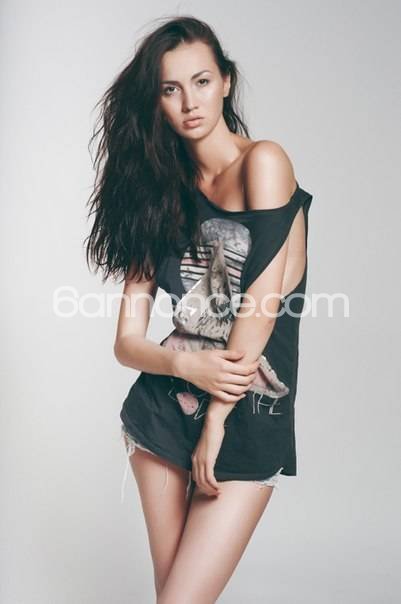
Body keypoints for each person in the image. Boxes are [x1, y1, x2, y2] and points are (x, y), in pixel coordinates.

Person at [85, 15, 313, 604]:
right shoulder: (155, 192)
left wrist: (215, 424)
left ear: (226, 82)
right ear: (156, 101)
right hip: (162, 412)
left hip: (246, 419)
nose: (190, 102)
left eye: (202, 81)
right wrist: (185, 366)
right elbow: (127, 343)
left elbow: (261, 306)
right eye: (171, 88)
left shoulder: (265, 163)